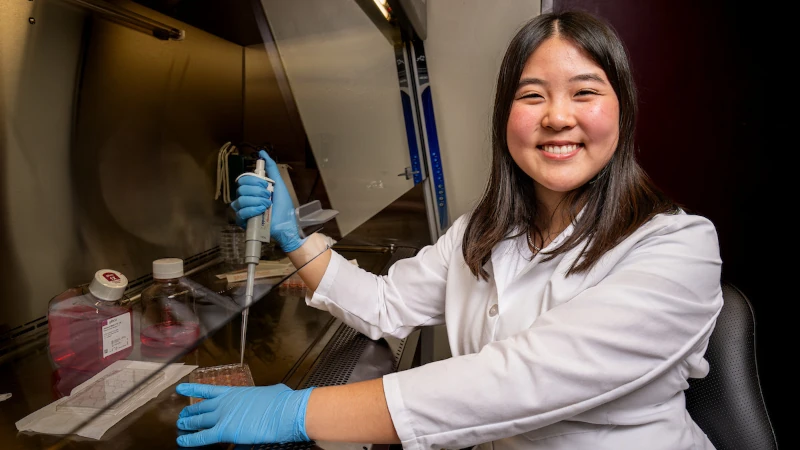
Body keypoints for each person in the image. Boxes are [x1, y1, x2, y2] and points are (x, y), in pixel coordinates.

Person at [174, 9, 723, 450]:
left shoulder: (677, 248)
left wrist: (296, 411)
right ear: (504, 117)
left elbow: (519, 381)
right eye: (532, 95)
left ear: (622, 111)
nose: (557, 116)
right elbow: (384, 304)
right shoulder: (480, 234)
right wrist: (294, 238)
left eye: (585, 92)